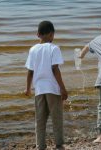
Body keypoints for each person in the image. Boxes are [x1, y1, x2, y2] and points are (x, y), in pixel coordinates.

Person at [24, 21, 68, 150]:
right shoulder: (54, 48)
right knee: (56, 117)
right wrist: (63, 88)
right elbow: (55, 69)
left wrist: (28, 88)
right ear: (51, 34)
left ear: (38, 34)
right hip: (52, 89)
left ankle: (40, 145)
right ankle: (59, 144)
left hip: (39, 89)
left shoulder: (32, 49)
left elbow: (30, 71)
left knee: (40, 119)